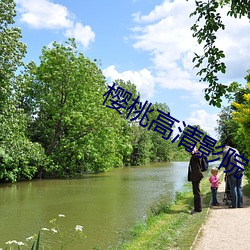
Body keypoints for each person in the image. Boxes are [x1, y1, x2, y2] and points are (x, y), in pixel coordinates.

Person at [188, 146, 204, 214]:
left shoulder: (197, 154)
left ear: (195, 148)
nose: (190, 150)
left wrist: (194, 152)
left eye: (192, 148)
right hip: (195, 176)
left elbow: (199, 158)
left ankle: (198, 209)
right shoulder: (195, 155)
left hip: (196, 176)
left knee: (196, 192)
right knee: (196, 192)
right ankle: (197, 208)